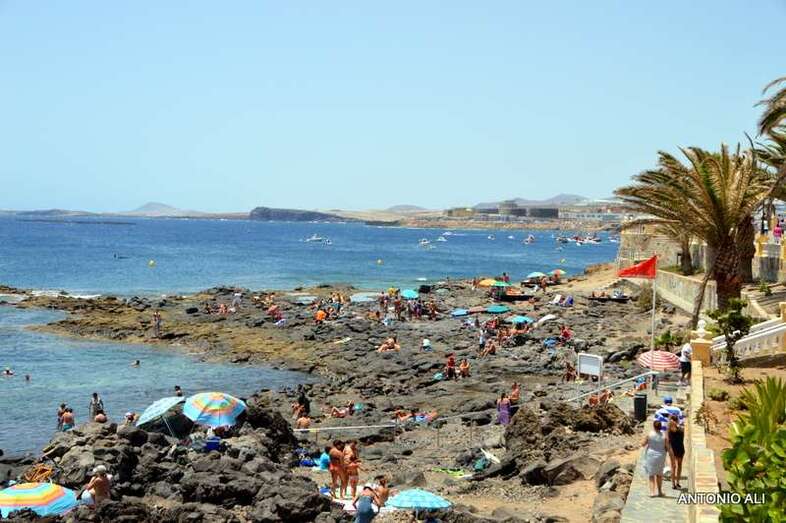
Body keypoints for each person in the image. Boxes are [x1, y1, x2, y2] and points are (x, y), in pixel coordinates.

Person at [643, 420, 670, 497]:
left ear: (654, 426)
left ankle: (652, 492)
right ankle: (660, 492)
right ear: (661, 426)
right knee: (659, 474)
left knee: (651, 475)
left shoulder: (649, 435)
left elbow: (643, 444)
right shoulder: (664, 436)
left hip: (650, 455)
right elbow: (667, 447)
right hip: (661, 456)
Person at [667, 414, 685, 489]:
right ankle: (677, 482)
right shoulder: (681, 429)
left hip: (673, 449)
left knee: (673, 466)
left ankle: (673, 483)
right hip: (680, 448)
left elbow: (668, 440)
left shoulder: (669, 430)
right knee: (678, 466)